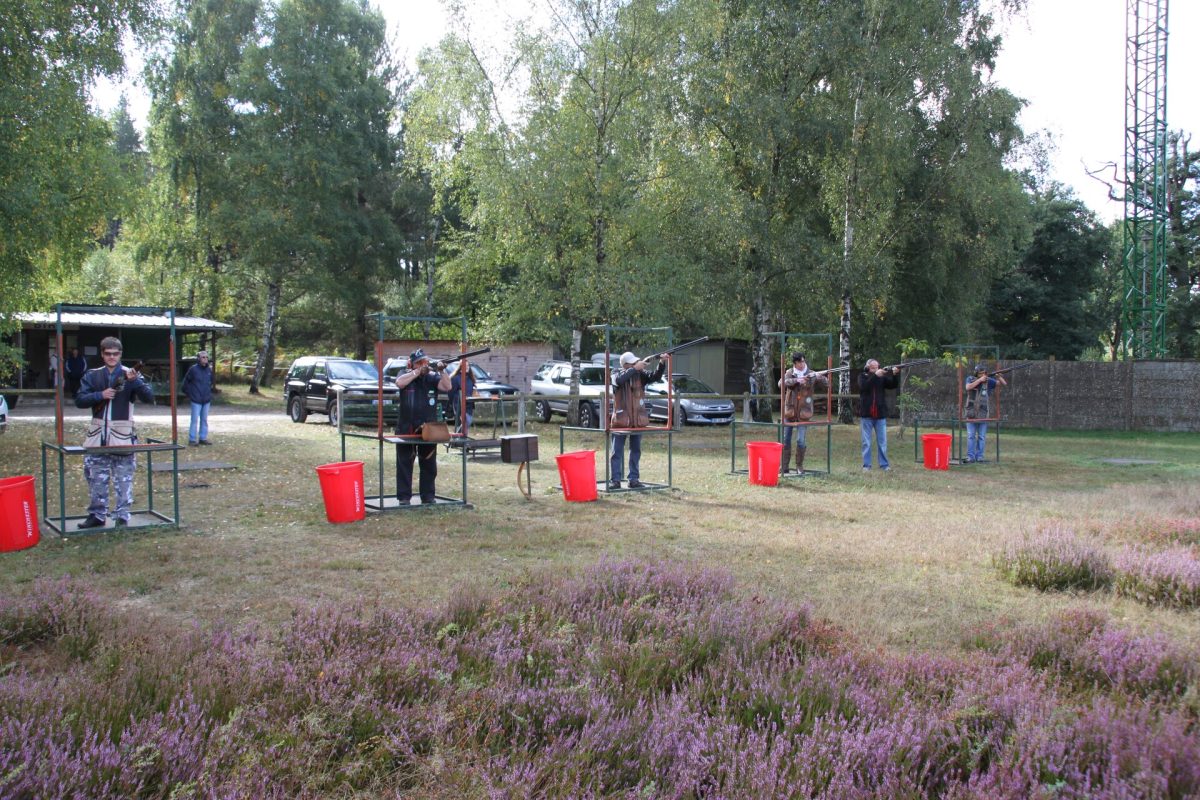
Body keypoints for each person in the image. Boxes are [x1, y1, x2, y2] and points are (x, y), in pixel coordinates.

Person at [75, 337, 154, 528]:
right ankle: (97, 515)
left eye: (115, 354)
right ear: (102, 354)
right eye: (108, 353)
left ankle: (122, 516)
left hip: (123, 436)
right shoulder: (92, 375)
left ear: (120, 354)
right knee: (95, 478)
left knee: (124, 479)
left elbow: (149, 397)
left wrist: (135, 382)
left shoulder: (132, 374)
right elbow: (80, 400)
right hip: (97, 437)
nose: (112, 357)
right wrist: (100, 395)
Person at [393, 348, 452, 505]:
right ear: (412, 364)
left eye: (425, 362)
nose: (423, 364)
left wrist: (442, 371)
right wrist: (418, 372)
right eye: (419, 362)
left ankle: (428, 497)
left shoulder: (432, 377)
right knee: (404, 464)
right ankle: (404, 498)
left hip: (428, 428)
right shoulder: (404, 374)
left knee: (429, 464)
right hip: (406, 428)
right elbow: (399, 383)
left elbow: (447, 387)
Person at [609, 351, 666, 489]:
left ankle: (633, 479)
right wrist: (635, 368)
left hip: (637, 420)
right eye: (633, 363)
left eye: (636, 362)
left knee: (636, 451)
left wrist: (662, 362)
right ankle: (615, 480)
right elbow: (619, 381)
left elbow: (655, 377)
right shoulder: (615, 373)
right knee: (616, 452)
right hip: (621, 420)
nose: (637, 363)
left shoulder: (640, 375)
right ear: (625, 365)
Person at [778, 352, 828, 474]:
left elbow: (828, 384)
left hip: (804, 413)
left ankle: (799, 466)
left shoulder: (811, 373)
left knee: (801, 441)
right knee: (785, 440)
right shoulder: (790, 372)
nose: (802, 364)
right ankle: (784, 466)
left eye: (803, 361)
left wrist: (820, 377)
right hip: (789, 412)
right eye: (799, 362)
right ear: (795, 363)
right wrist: (797, 380)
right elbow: (780, 384)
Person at [858, 358, 899, 471]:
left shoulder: (882, 378)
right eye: (873, 368)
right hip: (866, 415)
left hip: (880, 415)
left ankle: (884, 465)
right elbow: (864, 387)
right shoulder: (862, 376)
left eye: (876, 367)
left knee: (882, 442)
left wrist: (895, 374)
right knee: (866, 442)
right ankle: (867, 465)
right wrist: (876, 376)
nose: (875, 369)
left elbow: (892, 385)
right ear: (867, 368)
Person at [964, 363, 1007, 463]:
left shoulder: (988, 380)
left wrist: (999, 377)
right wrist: (980, 380)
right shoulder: (970, 379)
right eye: (980, 373)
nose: (982, 375)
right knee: (971, 436)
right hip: (971, 411)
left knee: (981, 437)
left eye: (984, 373)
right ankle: (970, 457)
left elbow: (1003, 384)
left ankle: (980, 457)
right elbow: (968, 387)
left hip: (983, 412)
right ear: (976, 373)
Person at [180, 349, 215, 446]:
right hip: (196, 400)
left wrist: (209, 393)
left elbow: (211, 382)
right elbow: (185, 383)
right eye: (203, 357)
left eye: (206, 357)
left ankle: (203, 438)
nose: (205, 359)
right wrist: (190, 394)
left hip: (206, 399)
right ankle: (192, 440)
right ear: (199, 359)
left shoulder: (209, 370)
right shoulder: (193, 369)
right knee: (194, 420)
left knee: (204, 420)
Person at [447, 360, 476, 433]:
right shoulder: (455, 378)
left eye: (468, 366)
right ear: (460, 367)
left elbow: (472, 391)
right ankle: (458, 437)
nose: (467, 367)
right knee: (461, 423)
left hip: (469, 405)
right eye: (465, 366)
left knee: (468, 422)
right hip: (458, 405)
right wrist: (452, 404)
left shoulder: (471, 378)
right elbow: (451, 393)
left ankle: (463, 437)